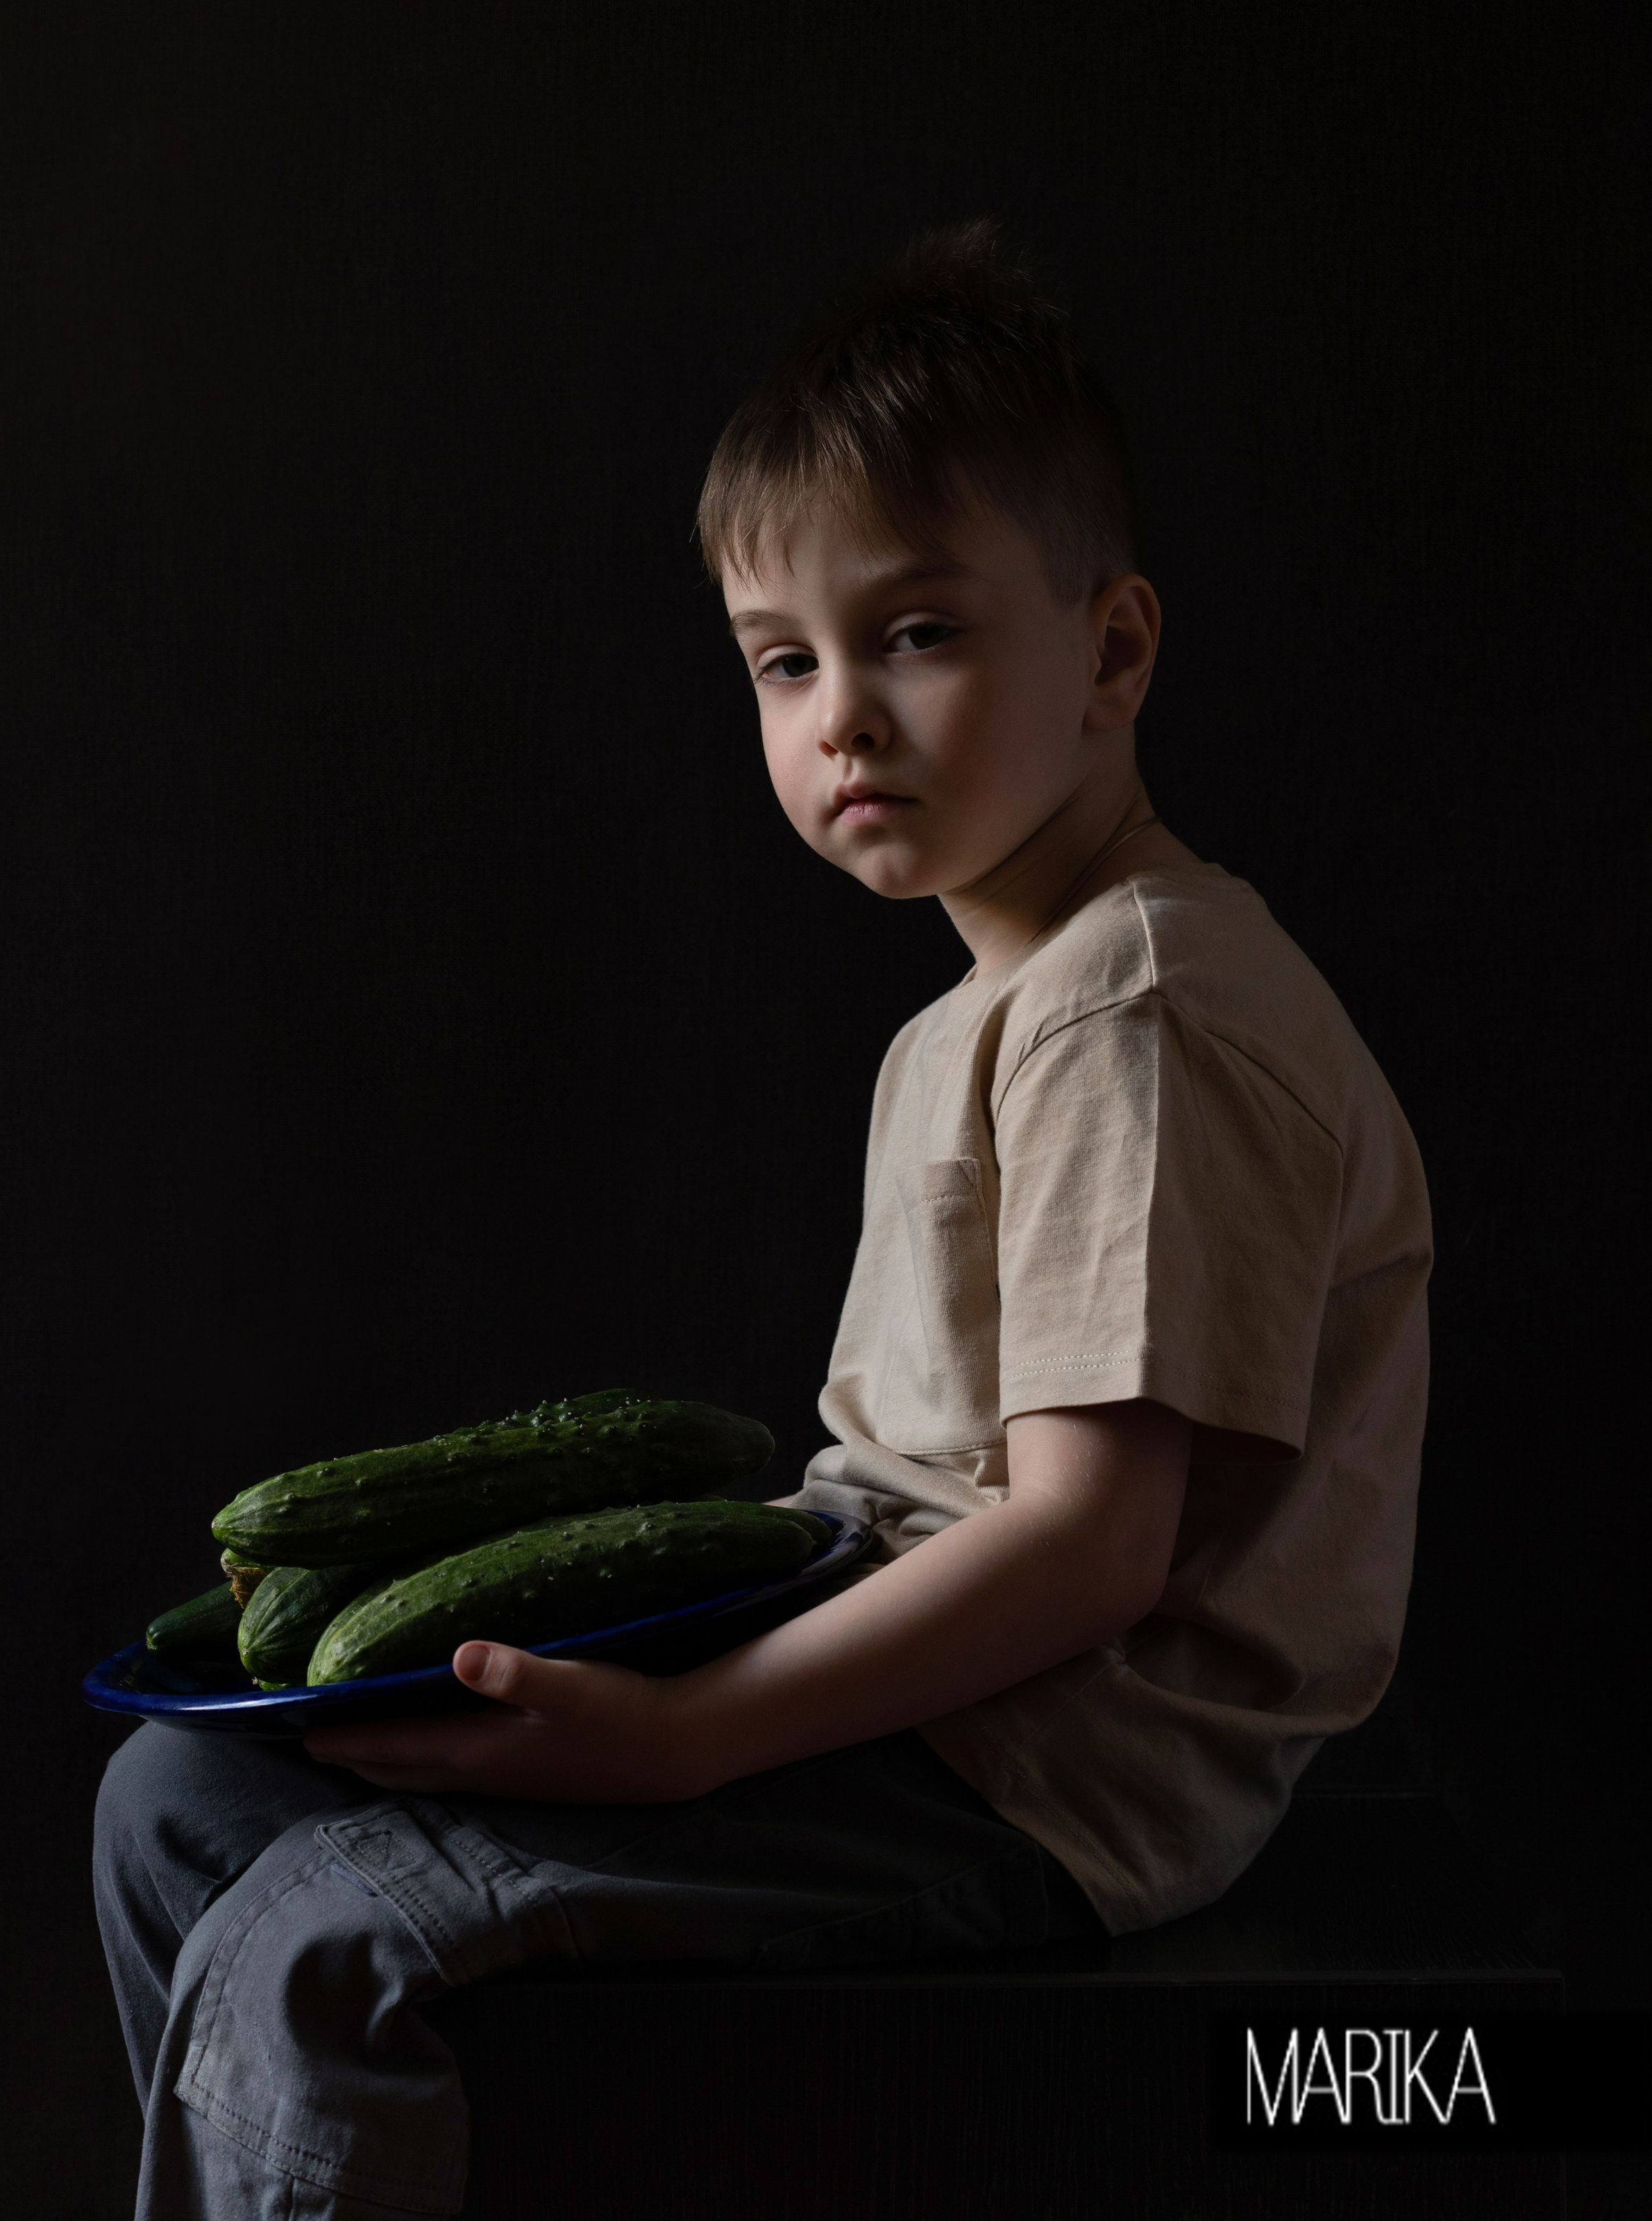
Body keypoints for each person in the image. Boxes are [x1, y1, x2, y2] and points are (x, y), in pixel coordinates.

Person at [96, 221, 1432, 2220]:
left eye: (918, 634)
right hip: (906, 1683)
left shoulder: (1135, 1006)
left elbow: (1092, 1546)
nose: (842, 719)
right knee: (179, 1795)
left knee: (327, 1949)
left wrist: (686, 1737)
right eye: (784, 662)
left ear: (1113, 652)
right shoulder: (994, 1006)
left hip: (1042, 1774)